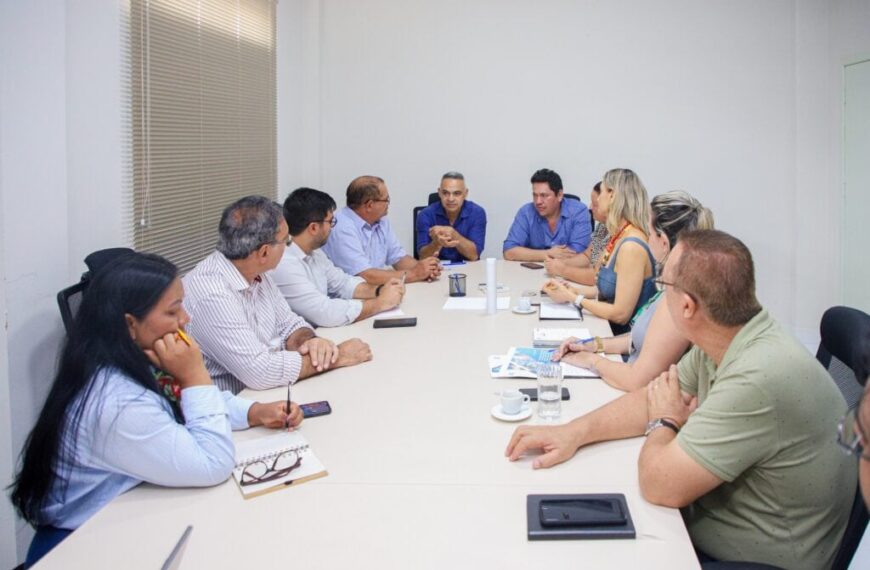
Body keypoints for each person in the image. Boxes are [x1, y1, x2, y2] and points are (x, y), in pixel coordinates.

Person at [508, 230, 855, 569]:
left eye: (663, 285)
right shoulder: (724, 333)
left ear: (687, 305)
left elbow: (659, 483)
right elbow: (651, 398)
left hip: (750, 557)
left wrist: (665, 423)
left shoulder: (758, 376)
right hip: (706, 520)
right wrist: (574, 432)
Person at [9, 253, 304, 567]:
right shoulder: (115, 401)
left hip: (129, 512)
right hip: (81, 545)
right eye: (173, 310)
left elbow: (181, 399)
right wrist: (195, 376)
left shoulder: (131, 356)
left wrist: (252, 411)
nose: (186, 318)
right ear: (130, 324)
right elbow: (212, 464)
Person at [183, 195, 372, 394]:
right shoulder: (212, 294)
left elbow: (289, 324)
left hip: (268, 394)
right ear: (264, 252)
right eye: (286, 241)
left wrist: (310, 342)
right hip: (233, 409)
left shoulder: (257, 273)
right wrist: (337, 357)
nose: (289, 246)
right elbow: (259, 371)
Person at [554, 191, 714, 391]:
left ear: (663, 242)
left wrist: (590, 360)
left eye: (649, 232)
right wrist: (593, 345)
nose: (646, 238)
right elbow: (642, 339)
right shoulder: (673, 286)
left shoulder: (677, 298)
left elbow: (637, 380)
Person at [543, 168, 655, 335]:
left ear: (612, 195)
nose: (595, 201)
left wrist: (575, 299)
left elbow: (621, 314)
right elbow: (605, 290)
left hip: (623, 340)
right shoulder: (619, 234)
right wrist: (571, 291)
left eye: (601, 191)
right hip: (607, 328)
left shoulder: (632, 246)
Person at [273, 187, 405, 328]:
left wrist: (379, 290)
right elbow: (324, 312)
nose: (332, 227)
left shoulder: (315, 253)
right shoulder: (284, 263)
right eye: (330, 222)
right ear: (313, 228)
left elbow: (342, 283)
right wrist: (379, 303)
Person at [322, 175, 441, 285]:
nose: (388, 204)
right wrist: (415, 273)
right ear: (369, 205)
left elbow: (399, 258)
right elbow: (366, 276)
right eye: (386, 200)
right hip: (348, 299)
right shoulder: (341, 227)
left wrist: (427, 269)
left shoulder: (381, 220)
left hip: (374, 290)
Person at [503, 168, 592, 261]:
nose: (538, 202)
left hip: (566, 272)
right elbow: (509, 251)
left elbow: (580, 255)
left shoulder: (581, 213)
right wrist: (547, 254)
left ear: (560, 195)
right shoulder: (526, 212)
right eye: (535, 195)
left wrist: (529, 255)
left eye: (544, 195)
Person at [543, 182, 610, 285]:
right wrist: (558, 264)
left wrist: (562, 270)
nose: (591, 207)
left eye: (595, 204)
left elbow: (597, 277)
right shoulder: (603, 226)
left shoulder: (622, 236)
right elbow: (587, 256)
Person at [415, 171, 487, 262]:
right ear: (439, 193)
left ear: (465, 194)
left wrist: (453, 233)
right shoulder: (425, 214)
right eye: (445, 193)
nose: (450, 199)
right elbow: (422, 257)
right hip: (436, 269)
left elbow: (474, 255)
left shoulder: (477, 213)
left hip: (468, 270)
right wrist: (436, 243)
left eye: (456, 193)